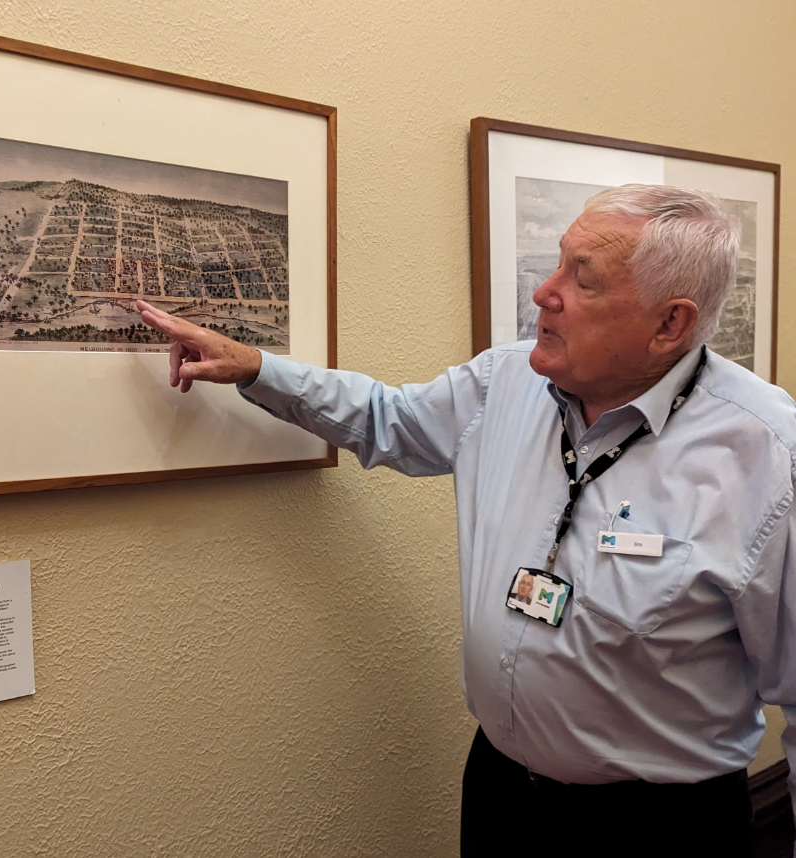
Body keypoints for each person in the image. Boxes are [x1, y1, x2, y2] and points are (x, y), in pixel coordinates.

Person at [138, 185, 796, 857]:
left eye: (583, 279)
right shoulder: (507, 381)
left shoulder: (765, 457)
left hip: (661, 827)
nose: (545, 292)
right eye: (557, 262)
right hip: (503, 792)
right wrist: (257, 367)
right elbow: (386, 419)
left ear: (669, 325)